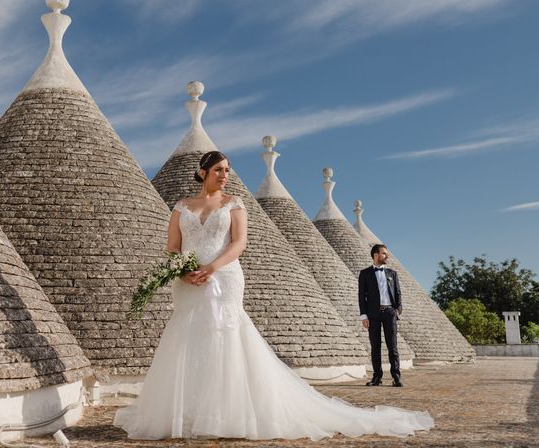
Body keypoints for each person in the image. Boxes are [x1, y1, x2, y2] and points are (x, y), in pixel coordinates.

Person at [113, 151, 433, 440]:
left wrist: (210, 268)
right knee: (188, 336)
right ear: (202, 172)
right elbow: (172, 248)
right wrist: (183, 271)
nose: (225, 174)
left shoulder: (235, 204)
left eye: (228, 169)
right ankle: (186, 412)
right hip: (187, 282)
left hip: (224, 276)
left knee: (224, 335)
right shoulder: (181, 207)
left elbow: (239, 244)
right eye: (219, 169)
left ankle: (227, 412)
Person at [358, 244, 403, 387]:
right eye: (384, 253)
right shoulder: (365, 273)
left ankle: (396, 377)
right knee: (375, 346)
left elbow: (398, 293)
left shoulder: (392, 273)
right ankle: (377, 377)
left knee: (393, 346)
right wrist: (364, 316)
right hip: (373, 314)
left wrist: (398, 310)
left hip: (390, 312)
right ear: (376, 255)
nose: (387, 256)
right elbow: (361, 296)